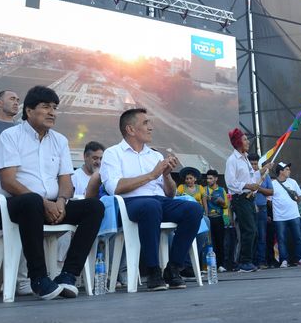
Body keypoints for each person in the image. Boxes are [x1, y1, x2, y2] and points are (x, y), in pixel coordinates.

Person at [0, 85, 104, 300]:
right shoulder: (10, 136)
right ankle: (38, 278)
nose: (52, 112)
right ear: (29, 111)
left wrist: (61, 202)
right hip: (15, 207)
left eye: (54, 108)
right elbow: (8, 181)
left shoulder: (60, 140)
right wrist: (44, 203)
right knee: (32, 201)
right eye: (46, 107)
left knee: (95, 207)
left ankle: (68, 275)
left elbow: (66, 180)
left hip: (52, 206)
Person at [100, 108, 202, 291]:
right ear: (130, 129)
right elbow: (114, 187)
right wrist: (152, 175)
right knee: (151, 206)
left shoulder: (155, 155)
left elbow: (170, 193)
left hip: (160, 202)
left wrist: (166, 175)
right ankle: (153, 271)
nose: (151, 127)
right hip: (131, 203)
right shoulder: (113, 153)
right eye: (145, 123)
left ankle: (173, 268)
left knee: (193, 209)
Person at [224, 128, 270, 273]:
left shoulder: (245, 159)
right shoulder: (232, 160)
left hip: (249, 199)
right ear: (238, 142)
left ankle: (247, 261)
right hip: (240, 199)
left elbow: (252, 177)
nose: (248, 142)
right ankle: (244, 262)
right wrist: (248, 186)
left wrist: (262, 170)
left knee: (253, 231)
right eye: (244, 139)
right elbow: (230, 182)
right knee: (248, 230)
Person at [271, 162, 301, 267]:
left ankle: (299, 259)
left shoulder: (293, 182)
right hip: (279, 217)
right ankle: (284, 260)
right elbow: (269, 200)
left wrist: (293, 202)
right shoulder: (273, 184)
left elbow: (300, 197)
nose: (289, 171)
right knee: (281, 239)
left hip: (294, 215)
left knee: (298, 237)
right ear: (281, 171)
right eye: (287, 169)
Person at [248, 152, 274, 269]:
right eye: (252, 164)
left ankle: (261, 261)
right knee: (251, 235)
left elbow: (271, 192)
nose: (254, 166)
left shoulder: (265, 175)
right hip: (249, 208)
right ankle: (250, 261)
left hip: (262, 208)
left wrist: (259, 188)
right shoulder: (247, 176)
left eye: (255, 164)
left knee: (262, 236)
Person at [205, 169, 229, 271]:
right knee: (210, 242)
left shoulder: (221, 190)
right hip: (208, 218)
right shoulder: (204, 190)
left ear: (216, 179)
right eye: (207, 178)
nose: (208, 180)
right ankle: (210, 265)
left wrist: (221, 202)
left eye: (210, 178)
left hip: (219, 218)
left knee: (220, 241)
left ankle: (221, 265)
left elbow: (226, 205)